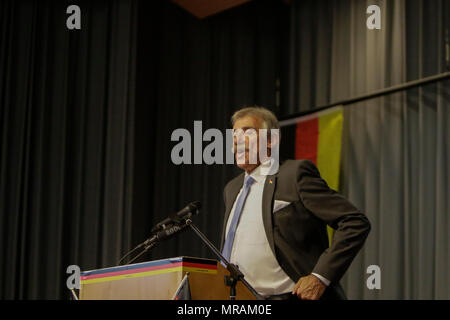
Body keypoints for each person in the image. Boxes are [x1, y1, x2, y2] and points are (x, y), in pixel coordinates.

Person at [220, 106, 371, 300]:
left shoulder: (293, 175)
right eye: (234, 135)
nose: (237, 140)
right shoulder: (232, 189)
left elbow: (354, 222)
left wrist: (320, 277)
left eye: (247, 132)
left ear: (271, 140)